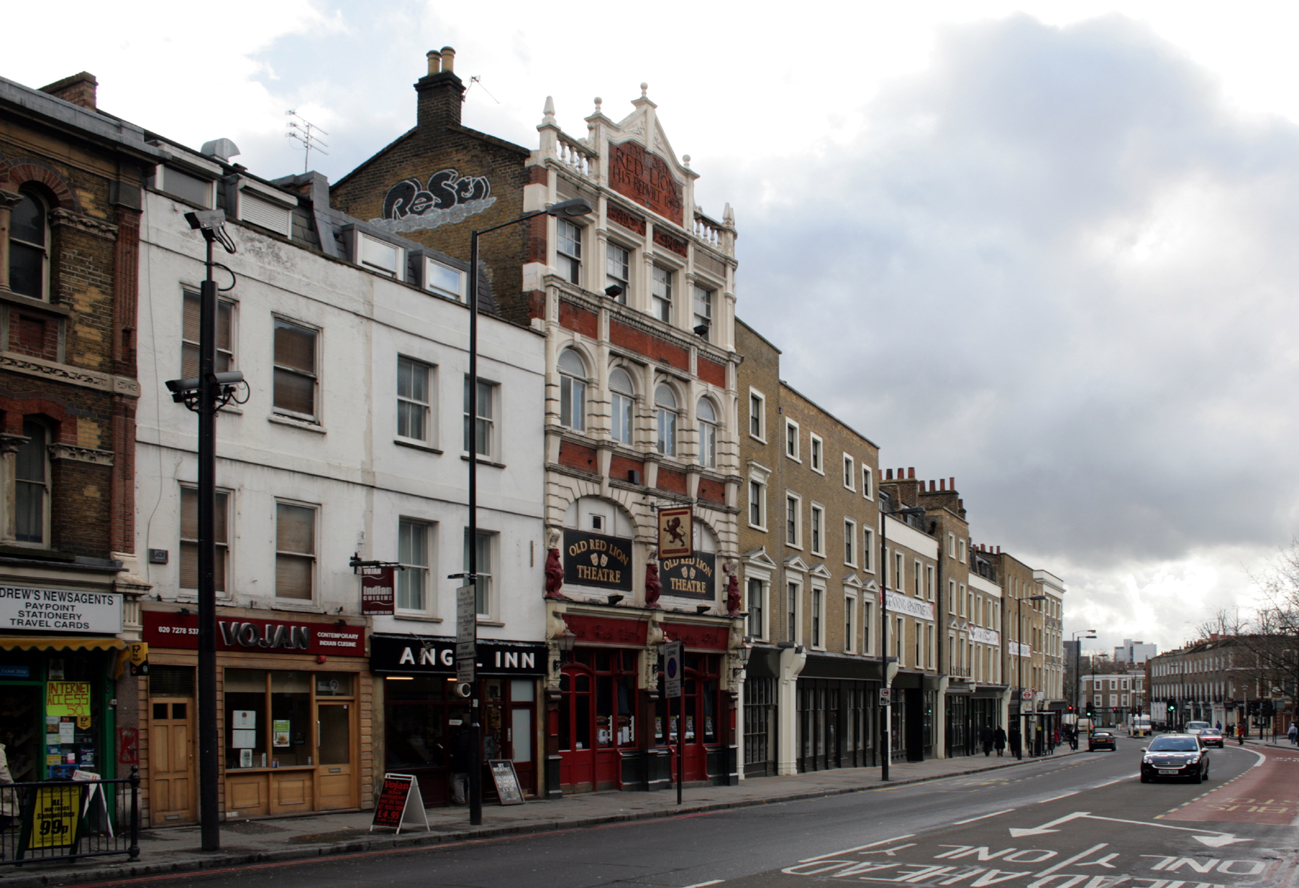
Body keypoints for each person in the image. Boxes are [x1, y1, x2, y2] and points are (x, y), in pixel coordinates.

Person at [449, 723, 471, 805]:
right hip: (472, 763)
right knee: (471, 781)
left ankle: (460, 799)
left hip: (461, 763)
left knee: (458, 780)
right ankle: (472, 799)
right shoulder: (474, 736)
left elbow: (460, 750)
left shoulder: (462, 738)